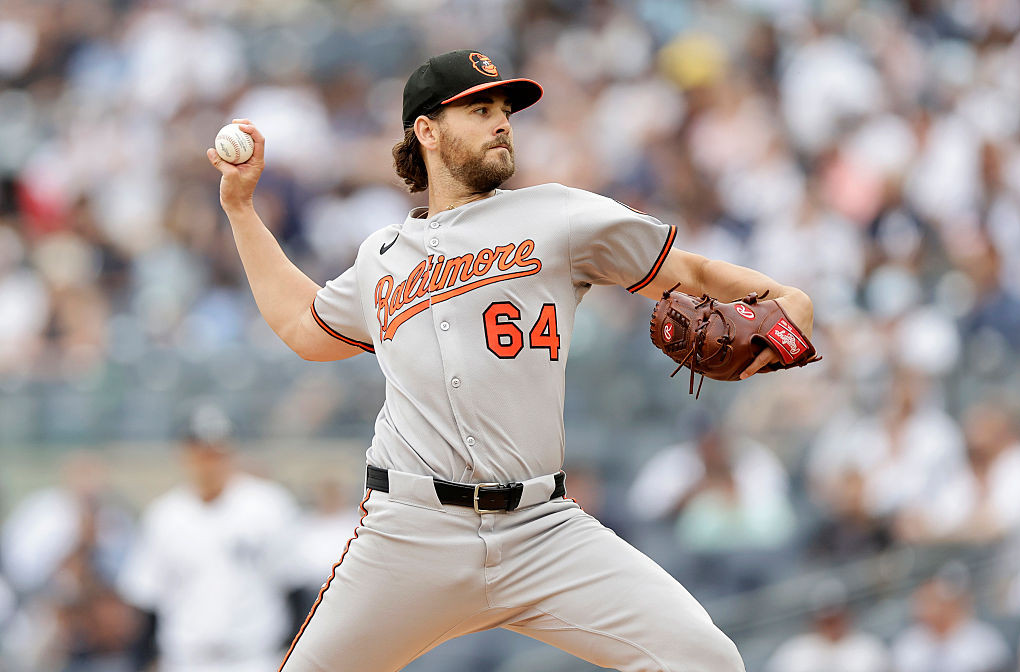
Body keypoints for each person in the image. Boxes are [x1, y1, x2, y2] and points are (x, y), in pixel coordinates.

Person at [206, 49, 815, 672]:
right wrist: (241, 209)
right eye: (479, 108)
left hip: (540, 530)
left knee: (704, 658)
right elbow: (303, 328)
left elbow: (691, 273)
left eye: (505, 110)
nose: (502, 122)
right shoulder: (381, 256)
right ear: (427, 130)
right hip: (411, 531)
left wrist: (787, 302)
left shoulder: (557, 214)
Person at [117, 404, 303, 672]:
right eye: (199, 451)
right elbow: (149, 604)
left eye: (216, 452)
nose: (208, 461)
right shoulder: (164, 516)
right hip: (185, 659)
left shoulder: (269, 505)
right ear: (183, 454)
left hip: (255, 658)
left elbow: (294, 588)